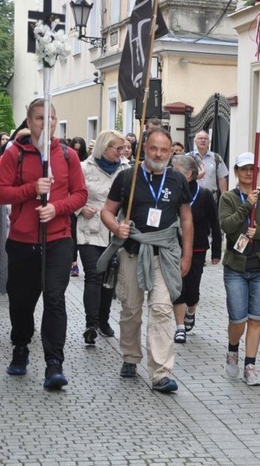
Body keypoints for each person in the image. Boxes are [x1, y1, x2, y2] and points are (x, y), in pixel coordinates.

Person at [0, 98, 88, 389]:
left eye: (49, 119)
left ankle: (54, 364)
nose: (44, 123)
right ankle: (20, 346)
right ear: (28, 121)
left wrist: (56, 208)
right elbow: (0, 193)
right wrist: (31, 190)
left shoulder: (67, 155)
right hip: (22, 240)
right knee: (21, 301)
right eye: (38, 118)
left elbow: (81, 194)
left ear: (55, 122)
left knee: (55, 299)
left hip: (58, 239)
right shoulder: (15, 155)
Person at [100, 127, 194, 393]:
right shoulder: (127, 177)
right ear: (144, 150)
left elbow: (186, 219)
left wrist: (186, 255)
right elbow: (107, 212)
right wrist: (117, 228)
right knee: (131, 308)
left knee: (162, 310)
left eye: (164, 150)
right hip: (132, 252)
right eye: (154, 148)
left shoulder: (177, 180)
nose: (159, 154)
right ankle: (130, 356)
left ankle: (160, 373)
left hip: (164, 255)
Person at [219, 152, 260, 386]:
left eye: (253, 169)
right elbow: (227, 226)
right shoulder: (228, 198)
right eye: (244, 168)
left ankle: (250, 365)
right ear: (236, 172)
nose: (249, 173)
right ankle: (232, 348)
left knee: (255, 319)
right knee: (238, 318)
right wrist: (247, 206)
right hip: (236, 267)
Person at [77, 130, 130, 344]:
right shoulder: (84, 168)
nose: (121, 152)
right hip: (90, 228)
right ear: (104, 148)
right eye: (117, 148)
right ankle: (91, 323)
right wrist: (81, 207)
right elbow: (72, 192)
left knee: (110, 274)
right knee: (93, 274)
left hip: (115, 229)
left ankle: (104, 320)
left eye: (122, 148)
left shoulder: (126, 169)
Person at [170, 154, 221, 342]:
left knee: (192, 292)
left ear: (190, 175)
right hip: (173, 249)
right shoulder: (171, 194)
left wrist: (216, 250)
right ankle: (180, 327)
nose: (173, 176)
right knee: (177, 289)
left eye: (178, 172)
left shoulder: (204, 195)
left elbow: (215, 224)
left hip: (198, 249)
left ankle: (191, 310)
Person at [69, 137, 89, 277]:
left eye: (79, 150)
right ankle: (73, 262)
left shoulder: (85, 164)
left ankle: (76, 261)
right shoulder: (68, 160)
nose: (76, 152)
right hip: (71, 203)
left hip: (81, 202)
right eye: (74, 149)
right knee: (72, 233)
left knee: (77, 233)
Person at [192, 130, 229, 203]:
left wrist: (224, 198)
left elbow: (222, 178)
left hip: (211, 197)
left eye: (205, 138)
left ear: (209, 142)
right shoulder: (188, 157)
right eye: (200, 138)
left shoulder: (216, 158)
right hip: (192, 196)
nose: (203, 140)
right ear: (195, 141)